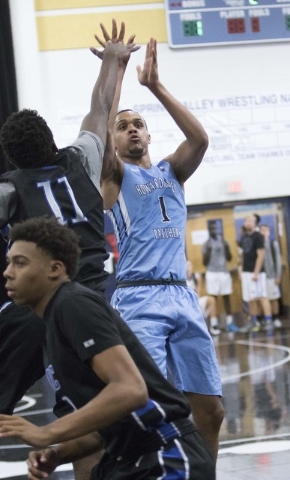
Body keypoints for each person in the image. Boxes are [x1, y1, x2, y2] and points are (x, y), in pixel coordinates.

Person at [0, 20, 138, 479]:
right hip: (97, 298)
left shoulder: (9, 189)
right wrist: (115, 61)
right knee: (91, 413)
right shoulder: (80, 158)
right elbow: (99, 108)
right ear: (50, 140)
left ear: (12, 157)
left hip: (39, 305)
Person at [0, 216, 215, 480]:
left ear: (54, 269)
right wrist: (57, 453)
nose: (8, 272)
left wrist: (47, 432)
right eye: (9, 262)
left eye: (20, 263)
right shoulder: (52, 325)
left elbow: (130, 390)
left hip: (164, 454)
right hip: (127, 459)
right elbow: (106, 427)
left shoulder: (73, 303)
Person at [101, 37, 224, 462]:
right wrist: (116, 71)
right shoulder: (114, 177)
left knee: (210, 409)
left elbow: (201, 138)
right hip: (138, 296)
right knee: (141, 406)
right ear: (114, 142)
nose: (132, 128)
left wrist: (155, 85)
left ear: (149, 134)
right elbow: (99, 131)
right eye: (123, 125)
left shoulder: (172, 171)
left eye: (137, 123)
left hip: (182, 295)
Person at [238, 214, 273, 331]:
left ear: (255, 223)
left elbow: (261, 255)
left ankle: (268, 320)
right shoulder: (243, 237)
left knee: (262, 296)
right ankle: (253, 322)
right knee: (250, 298)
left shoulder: (258, 236)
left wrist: (256, 272)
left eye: (250, 220)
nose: (247, 222)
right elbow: (243, 255)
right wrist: (241, 270)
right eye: (246, 220)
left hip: (257, 272)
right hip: (246, 271)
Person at [202, 220, 237, 333]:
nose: (215, 230)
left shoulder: (224, 241)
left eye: (216, 228)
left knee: (226, 297)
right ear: (209, 231)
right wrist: (208, 250)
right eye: (212, 229)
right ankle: (214, 324)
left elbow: (229, 258)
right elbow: (205, 262)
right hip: (212, 273)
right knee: (213, 299)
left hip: (224, 272)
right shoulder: (206, 244)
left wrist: (226, 247)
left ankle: (230, 323)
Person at [186, 259, 219, 335]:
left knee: (211, 300)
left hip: (195, 300)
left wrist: (199, 282)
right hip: (186, 303)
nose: (188, 268)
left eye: (190, 265)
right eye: (187, 266)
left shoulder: (196, 277)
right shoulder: (181, 278)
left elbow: (198, 293)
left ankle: (214, 325)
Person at [259, 224, 282, 328]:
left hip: (272, 276)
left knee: (273, 298)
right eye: (262, 230)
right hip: (261, 276)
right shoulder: (258, 244)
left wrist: (278, 275)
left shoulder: (273, 243)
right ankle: (266, 319)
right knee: (264, 299)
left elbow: (278, 260)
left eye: (266, 230)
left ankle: (276, 318)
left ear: (269, 232)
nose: (264, 232)